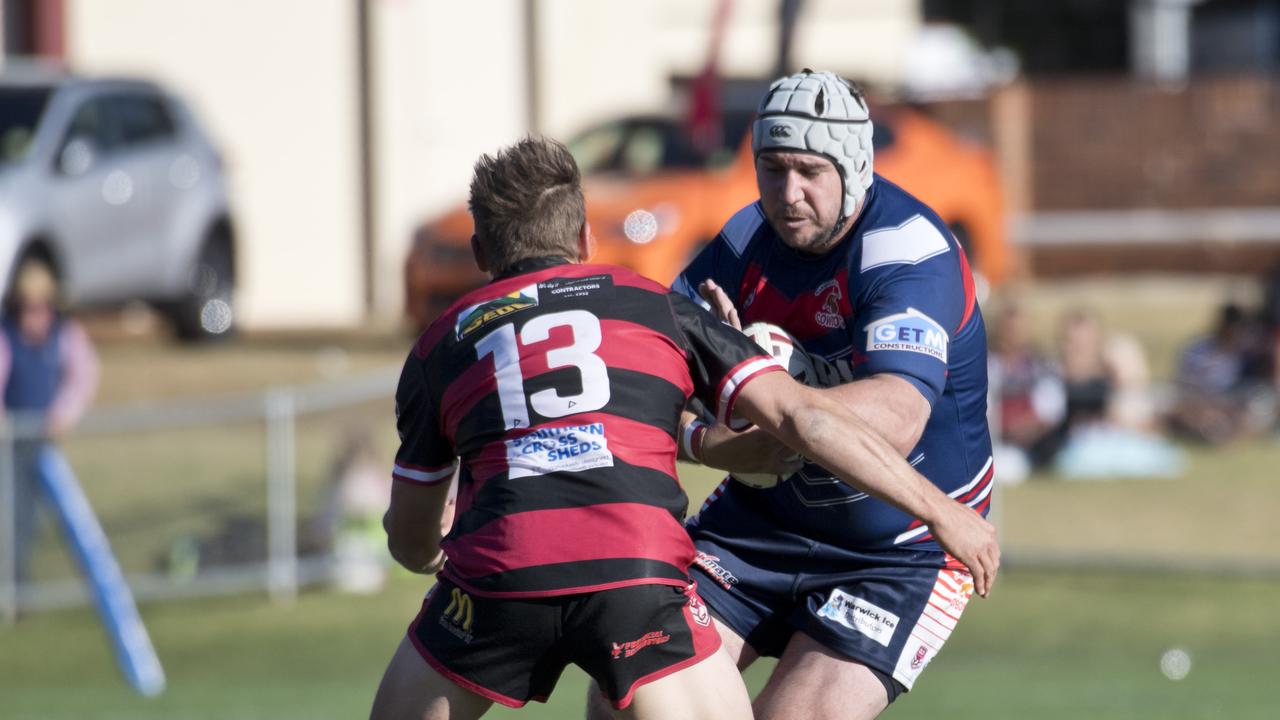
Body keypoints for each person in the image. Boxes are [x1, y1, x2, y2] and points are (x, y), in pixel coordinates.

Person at [369, 136, 998, 720]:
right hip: (634, 574)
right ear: (587, 237)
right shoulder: (651, 305)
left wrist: (429, 551)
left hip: (499, 576)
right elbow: (804, 416)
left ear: (480, 253)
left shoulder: (441, 344)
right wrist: (939, 510)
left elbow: (411, 535)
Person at [591, 70, 999, 720]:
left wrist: (755, 397)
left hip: (902, 549)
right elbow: (634, 396)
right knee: (632, 696)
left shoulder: (905, 253)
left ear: (855, 164)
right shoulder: (743, 243)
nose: (788, 193)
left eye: (810, 170)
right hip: (760, 528)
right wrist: (710, 436)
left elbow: (896, 419)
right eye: (772, 168)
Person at [0, 260, 100, 586]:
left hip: (45, 439)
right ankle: (15, 587)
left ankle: (89, 582)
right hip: (11, 441)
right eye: (28, 307)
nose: (35, 316)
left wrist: (63, 414)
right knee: (14, 515)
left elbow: (83, 377)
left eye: (42, 307)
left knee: (51, 515)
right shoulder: (6, 336)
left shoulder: (66, 336)